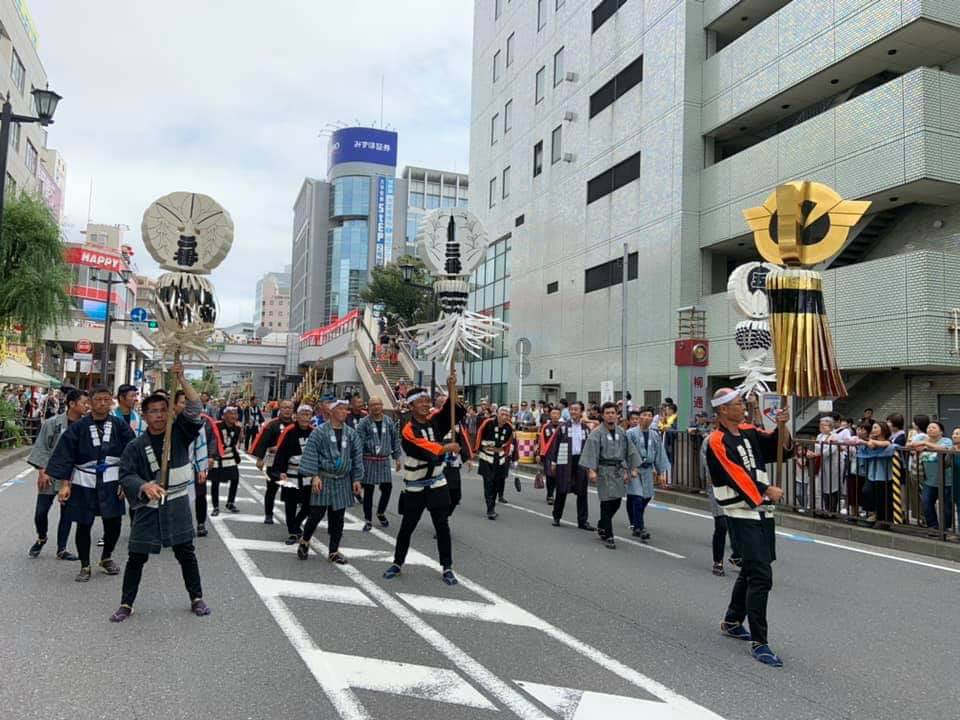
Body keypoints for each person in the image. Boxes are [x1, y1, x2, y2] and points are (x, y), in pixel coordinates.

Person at [110, 362, 210, 621]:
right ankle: (126, 603)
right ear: (144, 416)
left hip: (176, 504)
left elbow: (195, 407)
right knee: (136, 556)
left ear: (170, 412)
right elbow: (125, 474)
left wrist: (182, 378)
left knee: (186, 553)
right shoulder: (135, 446)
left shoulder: (180, 434)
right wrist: (144, 485)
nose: (159, 415)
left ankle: (197, 597)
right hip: (149, 508)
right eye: (153, 411)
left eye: (164, 410)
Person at [706, 388, 790, 668]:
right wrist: (765, 489)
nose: (743, 407)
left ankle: (732, 620)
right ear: (723, 410)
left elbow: (777, 446)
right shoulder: (716, 440)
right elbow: (735, 474)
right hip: (740, 510)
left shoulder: (749, 431)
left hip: (761, 509)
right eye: (738, 403)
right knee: (761, 575)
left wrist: (782, 426)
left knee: (753, 568)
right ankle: (760, 641)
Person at [47, 384, 136, 582]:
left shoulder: (120, 425)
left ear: (111, 401)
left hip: (112, 479)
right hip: (83, 479)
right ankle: (85, 565)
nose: (102, 403)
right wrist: (65, 484)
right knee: (84, 523)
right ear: (90, 402)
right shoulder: (78, 427)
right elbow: (65, 456)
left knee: (113, 523)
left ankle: (106, 557)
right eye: (98, 399)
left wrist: (125, 481)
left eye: (106, 399)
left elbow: (132, 453)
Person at [383, 375, 465, 586]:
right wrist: (445, 448)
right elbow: (423, 449)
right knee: (407, 526)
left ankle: (447, 567)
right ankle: (397, 563)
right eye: (421, 401)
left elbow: (452, 411)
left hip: (437, 482)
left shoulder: (435, 420)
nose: (426, 404)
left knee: (442, 526)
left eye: (428, 401)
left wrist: (451, 388)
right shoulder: (408, 429)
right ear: (410, 406)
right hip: (416, 485)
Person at [297, 399, 364, 564]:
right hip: (324, 477)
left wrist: (356, 478)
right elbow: (311, 453)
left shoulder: (351, 433)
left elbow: (357, 456)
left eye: (346, 409)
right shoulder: (319, 432)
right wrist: (314, 476)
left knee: (338, 517)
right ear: (332, 411)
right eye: (341, 409)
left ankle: (333, 551)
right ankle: (305, 540)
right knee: (316, 514)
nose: (344, 412)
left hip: (342, 479)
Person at [26, 388, 87, 561]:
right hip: (50, 473)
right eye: (84, 402)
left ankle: (62, 549)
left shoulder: (85, 426)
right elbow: (42, 447)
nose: (87, 406)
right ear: (72, 404)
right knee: (41, 512)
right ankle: (42, 537)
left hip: (72, 475)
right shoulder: (53, 423)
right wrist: (42, 471)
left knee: (67, 513)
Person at [581, 402, 642, 549]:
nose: (610, 415)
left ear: (617, 415)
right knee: (606, 502)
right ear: (602, 415)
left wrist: (633, 468)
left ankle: (602, 524)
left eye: (613, 413)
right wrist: (592, 470)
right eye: (607, 413)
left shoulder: (622, 432)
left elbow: (630, 451)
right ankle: (609, 535)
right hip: (603, 470)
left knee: (616, 501)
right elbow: (591, 451)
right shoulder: (596, 433)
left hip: (618, 470)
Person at [701, 417, 742, 576]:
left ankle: (736, 555)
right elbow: (706, 463)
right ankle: (717, 561)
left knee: (737, 522)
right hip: (717, 485)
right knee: (722, 524)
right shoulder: (710, 440)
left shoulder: (739, 439)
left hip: (736, 486)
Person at [546, 401, 595, 530]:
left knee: (582, 492)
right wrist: (554, 462)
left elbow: (589, 448)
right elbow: (555, 445)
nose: (573, 412)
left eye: (576, 409)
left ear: (581, 412)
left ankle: (582, 521)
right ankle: (557, 517)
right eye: (571, 409)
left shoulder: (586, 429)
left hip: (581, 461)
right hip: (565, 461)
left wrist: (591, 466)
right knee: (562, 489)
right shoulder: (563, 427)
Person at [356, 396, 402, 531]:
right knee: (368, 491)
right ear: (369, 407)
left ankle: (381, 512)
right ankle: (368, 520)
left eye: (378, 404)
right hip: (368, 460)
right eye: (373, 405)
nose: (376, 407)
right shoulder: (364, 423)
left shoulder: (388, 421)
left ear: (382, 406)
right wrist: (358, 462)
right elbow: (358, 443)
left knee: (387, 488)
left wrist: (397, 458)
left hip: (384, 460)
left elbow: (395, 439)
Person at [272, 405, 317, 544]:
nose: (305, 418)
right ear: (296, 416)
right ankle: (292, 532)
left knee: (310, 504)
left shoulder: (314, 432)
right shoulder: (289, 431)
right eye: (302, 414)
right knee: (290, 504)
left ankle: (296, 524)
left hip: (308, 474)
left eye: (308, 415)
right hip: (290, 473)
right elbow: (281, 452)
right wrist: (280, 472)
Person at [625, 406, 669, 540]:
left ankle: (636, 522)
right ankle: (640, 527)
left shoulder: (654, 435)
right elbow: (625, 452)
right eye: (644, 415)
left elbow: (659, 454)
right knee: (638, 497)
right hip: (634, 469)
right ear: (640, 417)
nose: (647, 418)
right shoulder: (631, 433)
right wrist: (628, 469)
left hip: (648, 469)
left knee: (646, 497)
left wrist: (660, 473)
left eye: (650, 415)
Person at [250, 399, 295, 524]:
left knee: (291, 490)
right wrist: (259, 459)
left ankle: (291, 517)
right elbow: (263, 441)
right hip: (273, 460)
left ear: (293, 410)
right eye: (284, 407)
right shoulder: (272, 424)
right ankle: (268, 514)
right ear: (280, 408)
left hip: (291, 462)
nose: (287, 410)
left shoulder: (296, 425)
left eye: (290, 408)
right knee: (271, 489)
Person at [174, 390, 209, 537]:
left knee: (191, 498)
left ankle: (190, 527)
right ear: (174, 404)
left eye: (187, 403)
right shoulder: (165, 420)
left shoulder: (196, 422)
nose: (185, 406)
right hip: (166, 468)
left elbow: (201, 446)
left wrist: (201, 468)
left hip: (188, 466)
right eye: (182, 402)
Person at [475, 406, 515, 519]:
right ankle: (490, 509)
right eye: (502, 414)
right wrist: (475, 450)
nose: (504, 417)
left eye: (507, 415)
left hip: (500, 457)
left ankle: (492, 505)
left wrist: (512, 457)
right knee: (488, 482)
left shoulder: (510, 428)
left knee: (497, 483)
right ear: (497, 414)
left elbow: (510, 443)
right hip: (486, 456)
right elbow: (479, 435)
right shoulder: (488, 423)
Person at [912, 420, 953, 530]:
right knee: (926, 502)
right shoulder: (923, 439)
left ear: (941, 431)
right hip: (929, 480)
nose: (930, 429)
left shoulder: (946, 440)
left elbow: (943, 449)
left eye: (933, 428)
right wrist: (922, 443)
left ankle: (946, 529)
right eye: (929, 427)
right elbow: (910, 445)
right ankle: (933, 526)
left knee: (946, 506)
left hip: (946, 480)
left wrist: (925, 445)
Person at [206, 405, 242, 517]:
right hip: (216, 456)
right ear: (224, 415)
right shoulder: (216, 425)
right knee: (215, 482)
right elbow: (209, 440)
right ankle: (215, 506)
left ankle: (230, 502)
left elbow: (237, 442)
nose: (234, 416)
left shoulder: (237, 428)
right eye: (231, 413)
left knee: (235, 479)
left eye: (235, 413)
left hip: (230, 456)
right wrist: (210, 455)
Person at [538, 408, 561, 505]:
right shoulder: (545, 427)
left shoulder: (563, 426)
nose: (555, 415)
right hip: (548, 454)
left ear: (560, 415)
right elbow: (541, 440)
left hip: (560, 454)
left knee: (558, 476)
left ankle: (556, 493)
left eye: (557, 413)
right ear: (550, 415)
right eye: (553, 413)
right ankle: (550, 495)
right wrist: (539, 453)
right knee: (549, 475)